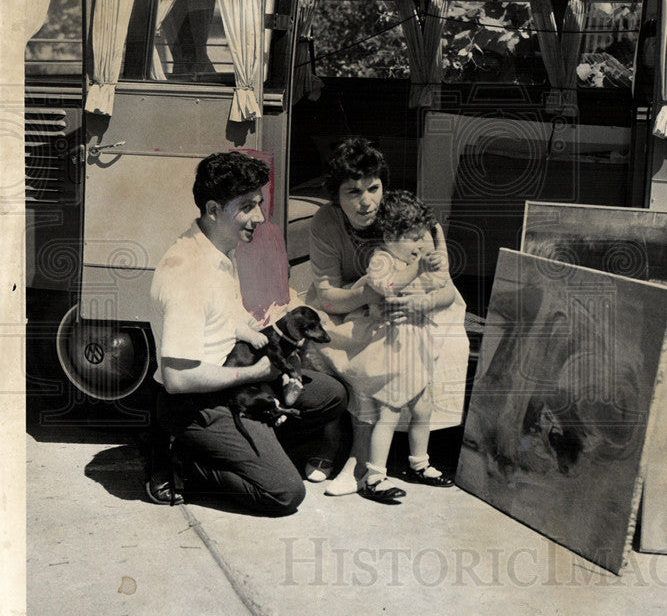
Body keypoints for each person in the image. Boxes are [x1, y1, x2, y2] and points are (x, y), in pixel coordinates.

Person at [147, 151, 346, 515]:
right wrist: (258, 374)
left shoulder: (218, 249)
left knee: (331, 395)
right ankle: (183, 464)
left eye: (259, 204)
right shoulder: (189, 273)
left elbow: (226, 319)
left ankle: (253, 441)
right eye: (247, 206)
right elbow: (177, 378)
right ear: (212, 209)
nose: (259, 217)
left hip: (230, 382)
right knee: (284, 493)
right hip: (195, 404)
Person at [306, 138, 468, 502]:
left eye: (373, 187)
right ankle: (337, 441)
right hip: (351, 302)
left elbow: (444, 288)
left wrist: (417, 303)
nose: (367, 201)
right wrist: (367, 293)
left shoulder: (401, 218)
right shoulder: (326, 222)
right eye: (353, 192)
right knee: (330, 339)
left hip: (412, 308)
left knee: (384, 352)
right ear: (336, 196)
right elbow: (329, 295)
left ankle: (368, 460)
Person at [335, 190, 460, 502]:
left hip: (417, 348)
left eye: (422, 238)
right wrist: (416, 269)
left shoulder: (415, 259)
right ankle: (373, 474)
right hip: (392, 349)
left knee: (422, 409)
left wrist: (429, 281)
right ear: (390, 235)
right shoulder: (382, 259)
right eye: (414, 238)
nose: (420, 245)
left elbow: (442, 288)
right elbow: (386, 287)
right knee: (387, 414)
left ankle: (420, 463)